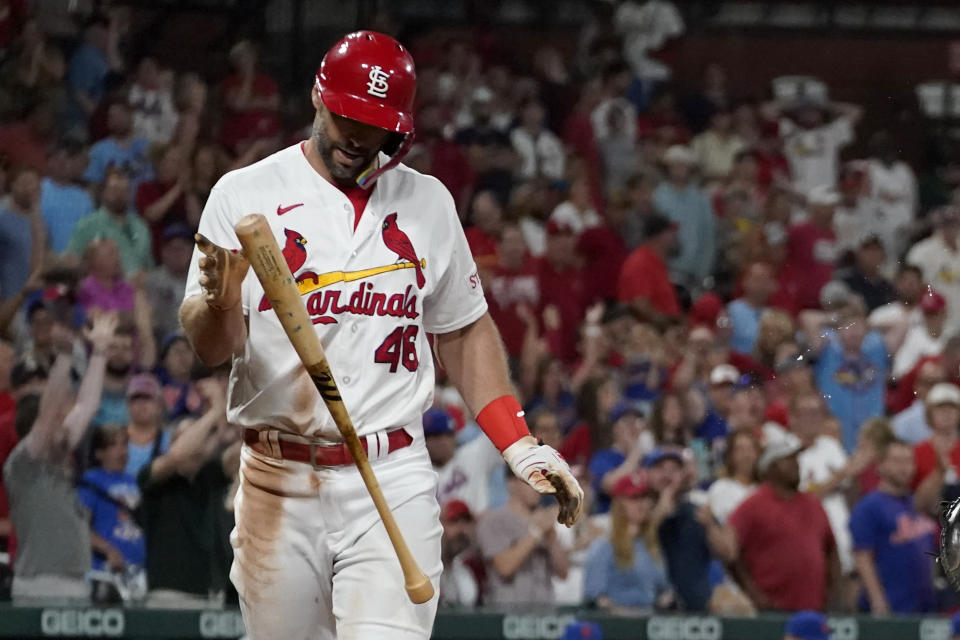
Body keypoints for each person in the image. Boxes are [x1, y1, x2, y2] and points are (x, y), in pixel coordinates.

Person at [178, 31, 582, 639]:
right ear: (319, 98)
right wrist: (218, 300)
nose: (357, 139)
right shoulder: (245, 194)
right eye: (346, 119)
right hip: (276, 474)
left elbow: (464, 332)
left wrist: (517, 444)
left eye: (374, 126)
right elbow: (211, 346)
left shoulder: (428, 202)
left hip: (390, 470)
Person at [4, 312, 115, 600]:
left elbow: (87, 406)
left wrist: (100, 353)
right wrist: (64, 358)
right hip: (39, 583)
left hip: (75, 581)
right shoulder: (22, 463)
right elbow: (48, 413)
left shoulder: (57, 455)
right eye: (60, 421)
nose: (67, 426)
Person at [138, 373, 238, 606]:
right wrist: (214, 412)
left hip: (210, 596)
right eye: (188, 436)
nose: (195, 444)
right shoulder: (154, 476)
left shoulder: (209, 476)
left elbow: (246, 452)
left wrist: (230, 411)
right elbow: (178, 455)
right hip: (168, 596)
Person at [723, 434, 839, 611]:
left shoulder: (813, 504)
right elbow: (731, 553)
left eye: (796, 460)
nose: (796, 465)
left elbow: (831, 549)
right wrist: (752, 592)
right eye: (788, 460)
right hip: (772, 610)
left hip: (814, 608)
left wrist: (834, 592)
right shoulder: (752, 506)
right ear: (770, 468)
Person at [849, 439, 936, 614]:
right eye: (897, 461)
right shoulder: (869, 507)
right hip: (891, 607)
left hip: (924, 607)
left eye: (908, 461)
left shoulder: (917, 504)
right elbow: (863, 557)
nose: (904, 467)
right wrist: (877, 600)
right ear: (880, 466)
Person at [476, 467, 570, 605]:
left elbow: (563, 573)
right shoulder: (493, 520)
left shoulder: (544, 519)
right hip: (507, 613)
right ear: (511, 483)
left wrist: (552, 540)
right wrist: (536, 532)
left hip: (544, 611)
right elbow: (505, 567)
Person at [583, 472, 671, 611]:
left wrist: (667, 600)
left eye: (644, 497)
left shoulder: (651, 546)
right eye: (634, 498)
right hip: (617, 625)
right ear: (620, 505)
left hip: (649, 621)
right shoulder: (604, 547)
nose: (641, 504)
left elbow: (663, 589)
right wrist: (623, 616)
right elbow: (595, 597)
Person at [78, 424, 145, 575]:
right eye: (113, 445)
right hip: (104, 570)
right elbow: (79, 528)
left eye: (125, 444)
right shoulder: (91, 481)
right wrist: (108, 550)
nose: (122, 451)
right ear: (99, 453)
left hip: (138, 570)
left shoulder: (136, 481)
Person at [67, 166, 154, 276]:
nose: (120, 196)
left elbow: (149, 266)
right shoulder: (87, 225)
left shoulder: (141, 227)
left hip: (140, 290)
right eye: (114, 190)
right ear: (103, 193)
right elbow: (73, 262)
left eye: (125, 191)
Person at [653, 145, 716, 293]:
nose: (679, 169)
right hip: (667, 270)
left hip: (696, 271)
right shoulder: (658, 197)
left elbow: (708, 236)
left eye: (683, 165)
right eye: (674, 165)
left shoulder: (701, 198)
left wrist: (703, 270)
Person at [617, 213, 681, 329]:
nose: (674, 237)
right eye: (671, 232)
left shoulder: (656, 261)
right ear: (660, 236)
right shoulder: (640, 263)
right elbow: (640, 305)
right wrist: (667, 325)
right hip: (646, 337)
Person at [908, 205, 960, 331]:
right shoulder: (921, 251)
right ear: (937, 225)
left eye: (955, 223)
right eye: (946, 224)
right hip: (935, 319)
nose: (951, 228)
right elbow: (913, 287)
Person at [40, 137, 94, 253]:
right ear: (50, 161)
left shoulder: (84, 198)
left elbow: (89, 235)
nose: (63, 165)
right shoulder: (37, 190)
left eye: (68, 159)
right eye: (59, 160)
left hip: (75, 264)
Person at [124, 373, 172, 478]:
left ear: (159, 405)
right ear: (128, 405)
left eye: (147, 397)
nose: (141, 403)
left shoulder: (171, 440)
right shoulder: (117, 439)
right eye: (135, 398)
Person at [706, 430, 760, 523]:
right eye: (740, 449)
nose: (746, 455)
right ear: (730, 455)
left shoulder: (765, 489)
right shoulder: (720, 488)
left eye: (750, 449)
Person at [438, 499, 484, 607]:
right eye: (453, 521)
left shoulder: (472, 565)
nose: (461, 528)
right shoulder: (428, 564)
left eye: (466, 521)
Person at [727, 262, 777, 355]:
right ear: (745, 281)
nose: (761, 284)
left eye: (765, 280)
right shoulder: (731, 311)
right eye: (757, 279)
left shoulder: (774, 316)